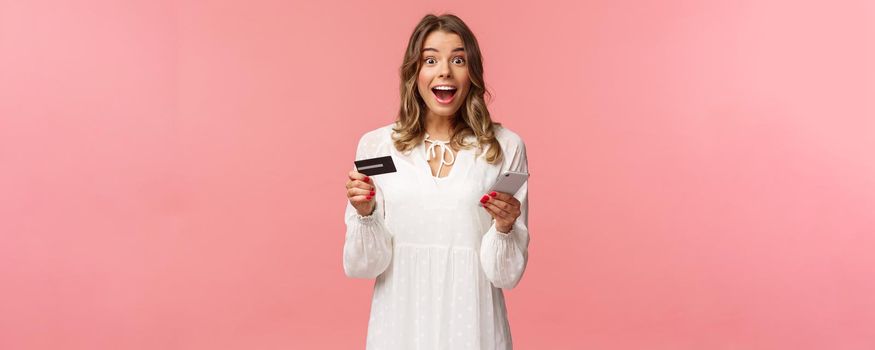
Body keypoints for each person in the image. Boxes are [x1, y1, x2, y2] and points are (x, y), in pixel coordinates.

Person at [343, 13, 530, 350]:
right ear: (414, 72)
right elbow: (364, 266)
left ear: (472, 71)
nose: (445, 70)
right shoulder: (376, 146)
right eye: (431, 60)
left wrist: (504, 228)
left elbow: (506, 276)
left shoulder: (504, 147)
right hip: (398, 326)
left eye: (458, 59)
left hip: (473, 326)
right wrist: (365, 214)